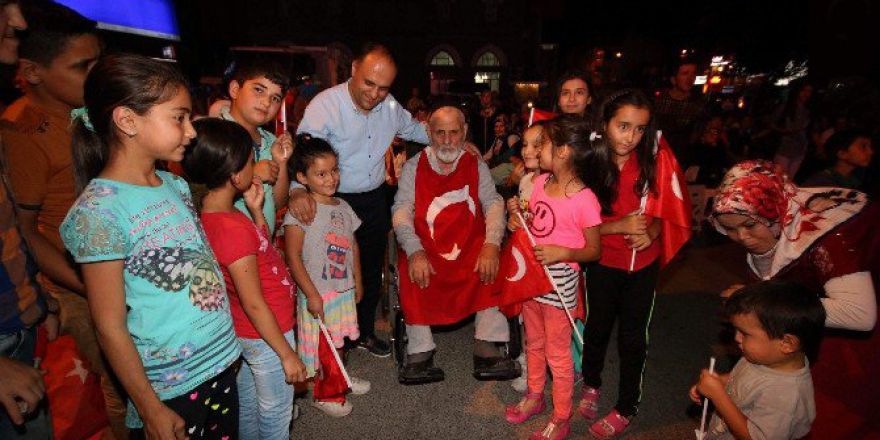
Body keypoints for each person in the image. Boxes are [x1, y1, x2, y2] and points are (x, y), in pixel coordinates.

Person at [60, 54, 242, 439]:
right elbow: (109, 325)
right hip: (172, 385)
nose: (191, 131)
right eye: (179, 118)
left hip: (221, 358)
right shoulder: (100, 212)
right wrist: (149, 406)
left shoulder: (174, 185)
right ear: (127, 121)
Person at [0, 4, 128, 437]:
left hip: (110, 268)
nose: (95, 74)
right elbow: (25, 231)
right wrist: (88, 286)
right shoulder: (21, 133)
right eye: (81, 66)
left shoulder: (91, 112)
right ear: (32, 72)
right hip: (74, 283)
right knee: (121, 384)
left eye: (98, 61)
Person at [710, 160, 879, 439]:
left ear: (774, 212)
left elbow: (860, 314)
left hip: (852, 337)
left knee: (835, 408)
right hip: (813, 318)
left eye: (749, 225)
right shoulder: (773, 220)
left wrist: (763, 301)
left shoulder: (826, 238)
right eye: (730, 228)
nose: (741, 237)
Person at [292, 43, 430, 357]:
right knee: (330, 271)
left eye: (384, 88)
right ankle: (329, 342)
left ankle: (362, 332)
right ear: (354, 69)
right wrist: (298, 190)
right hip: (332, 199)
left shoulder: (390, 106)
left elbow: (416, 130)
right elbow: (305, 153)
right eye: (369, 83)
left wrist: (454, 138)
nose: (375, 94)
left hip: (373, 199)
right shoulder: (325, 105)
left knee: (368, 270)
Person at [181, 118, 305, 440]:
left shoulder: (219, 212)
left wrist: (257, 211)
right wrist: (286, 353)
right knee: (276, 412)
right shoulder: (230, 228)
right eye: (251, 161)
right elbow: (253, 301)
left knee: (248, 406)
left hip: (248, 331)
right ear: (236, 176)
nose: (256, 166)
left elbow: (259, 247)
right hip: (268, 332)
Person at [392, 106, 520, 384]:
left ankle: (487, 343)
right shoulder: (414, 166)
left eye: (454, 132)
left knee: (492, 262)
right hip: (427, 244)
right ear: (429, 133)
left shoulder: (475, 164)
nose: (448, 140)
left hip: (468, 243)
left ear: (464, 133)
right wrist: (414, 250)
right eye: (440, 133)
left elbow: (493, 203)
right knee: (410, 267)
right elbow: (401, 210)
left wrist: (491, 244)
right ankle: (420, 349)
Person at [505, 114, 603, 440]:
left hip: (559, 285)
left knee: (557, 354)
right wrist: (519, 218)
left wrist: (563, 252)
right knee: (533, 343)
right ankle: (535, 395)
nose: (536, 150)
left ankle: (561, 416)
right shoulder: (540, 184)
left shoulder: (585, 199)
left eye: (543, 144)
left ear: (562, 151)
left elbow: (594, 250)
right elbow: (536, 223)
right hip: (533, 279)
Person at [577, 89, 663, 439]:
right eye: (623, 126)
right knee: (597, 328)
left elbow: (668, 211)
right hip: (602, 260)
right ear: (605, 124)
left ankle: (627, 406)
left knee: (633, 339)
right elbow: (576, 223)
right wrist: (618, 226)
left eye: (640, 129)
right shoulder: (589, 163)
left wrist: (652, 232)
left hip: (643, 265)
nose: (631, 137)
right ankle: (591, 383)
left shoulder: (654, 161)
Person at [284, 134, 372, 417]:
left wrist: (358, 281)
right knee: (323, 347)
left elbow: (353, 245)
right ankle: (326, 394)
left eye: (334, 170)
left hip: (342, 289)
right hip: (318, 292)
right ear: (302, 177)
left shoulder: (343, 206)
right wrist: (311, 294)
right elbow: (292, 256)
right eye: (321, 174)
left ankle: (339, 377)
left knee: (338, 341)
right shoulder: (301, 210)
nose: (331, 178)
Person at [0, 2, 57, 438]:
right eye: (3, 5)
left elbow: (12, 229)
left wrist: (35, 300)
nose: (19, 21)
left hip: (19, 327)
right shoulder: (19, 126)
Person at [691, 280, 823, 440]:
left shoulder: (787, 397)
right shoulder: (764, 356)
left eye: (744, 333)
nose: (736, 338)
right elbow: (744, 379)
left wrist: (718, 395)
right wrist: (719, 381)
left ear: (786, 343)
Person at [220, 58, 293, 235]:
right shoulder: (215, 135)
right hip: (228, 241)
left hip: (264, 242)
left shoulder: (271, 141)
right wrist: (251, 175)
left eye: (275, 98)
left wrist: (281, 162)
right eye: (259, 90)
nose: (267, 103)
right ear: (235, 89)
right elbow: (205, 197)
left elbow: (278, 203)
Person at [506, 120, 546, 394]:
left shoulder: (554, 184)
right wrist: (513, 218)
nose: (528, 150)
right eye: (525, 144)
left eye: (536, 145)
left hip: (545, 261)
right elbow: (521, 218)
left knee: (547, 319)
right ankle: (528, 363)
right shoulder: (525, 180)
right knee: (525, 316)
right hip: (525, 260)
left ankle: (547, 364)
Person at [654, 58, 706, 157]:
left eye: (693, 74)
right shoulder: (658, 101)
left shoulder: (698, 106)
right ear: (673, 79)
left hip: (683, 158)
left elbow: (697, 137)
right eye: (685, 73)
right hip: (657, 155)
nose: (690, 78)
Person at [802, 128, 873, 190]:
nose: (871, 152)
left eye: (870, 147)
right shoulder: (821, 183)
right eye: (863, 147)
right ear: (842, 154)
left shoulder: (856, 180)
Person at [771, 80, 812, 181]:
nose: (806, 94)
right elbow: (771, 123)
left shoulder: (808, 110)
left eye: (809, 91)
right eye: (804, 90)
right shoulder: (785, 107)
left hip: (800, 150)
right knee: (780, 179)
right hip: (784, 149)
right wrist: (784, 131)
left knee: (789, 180)